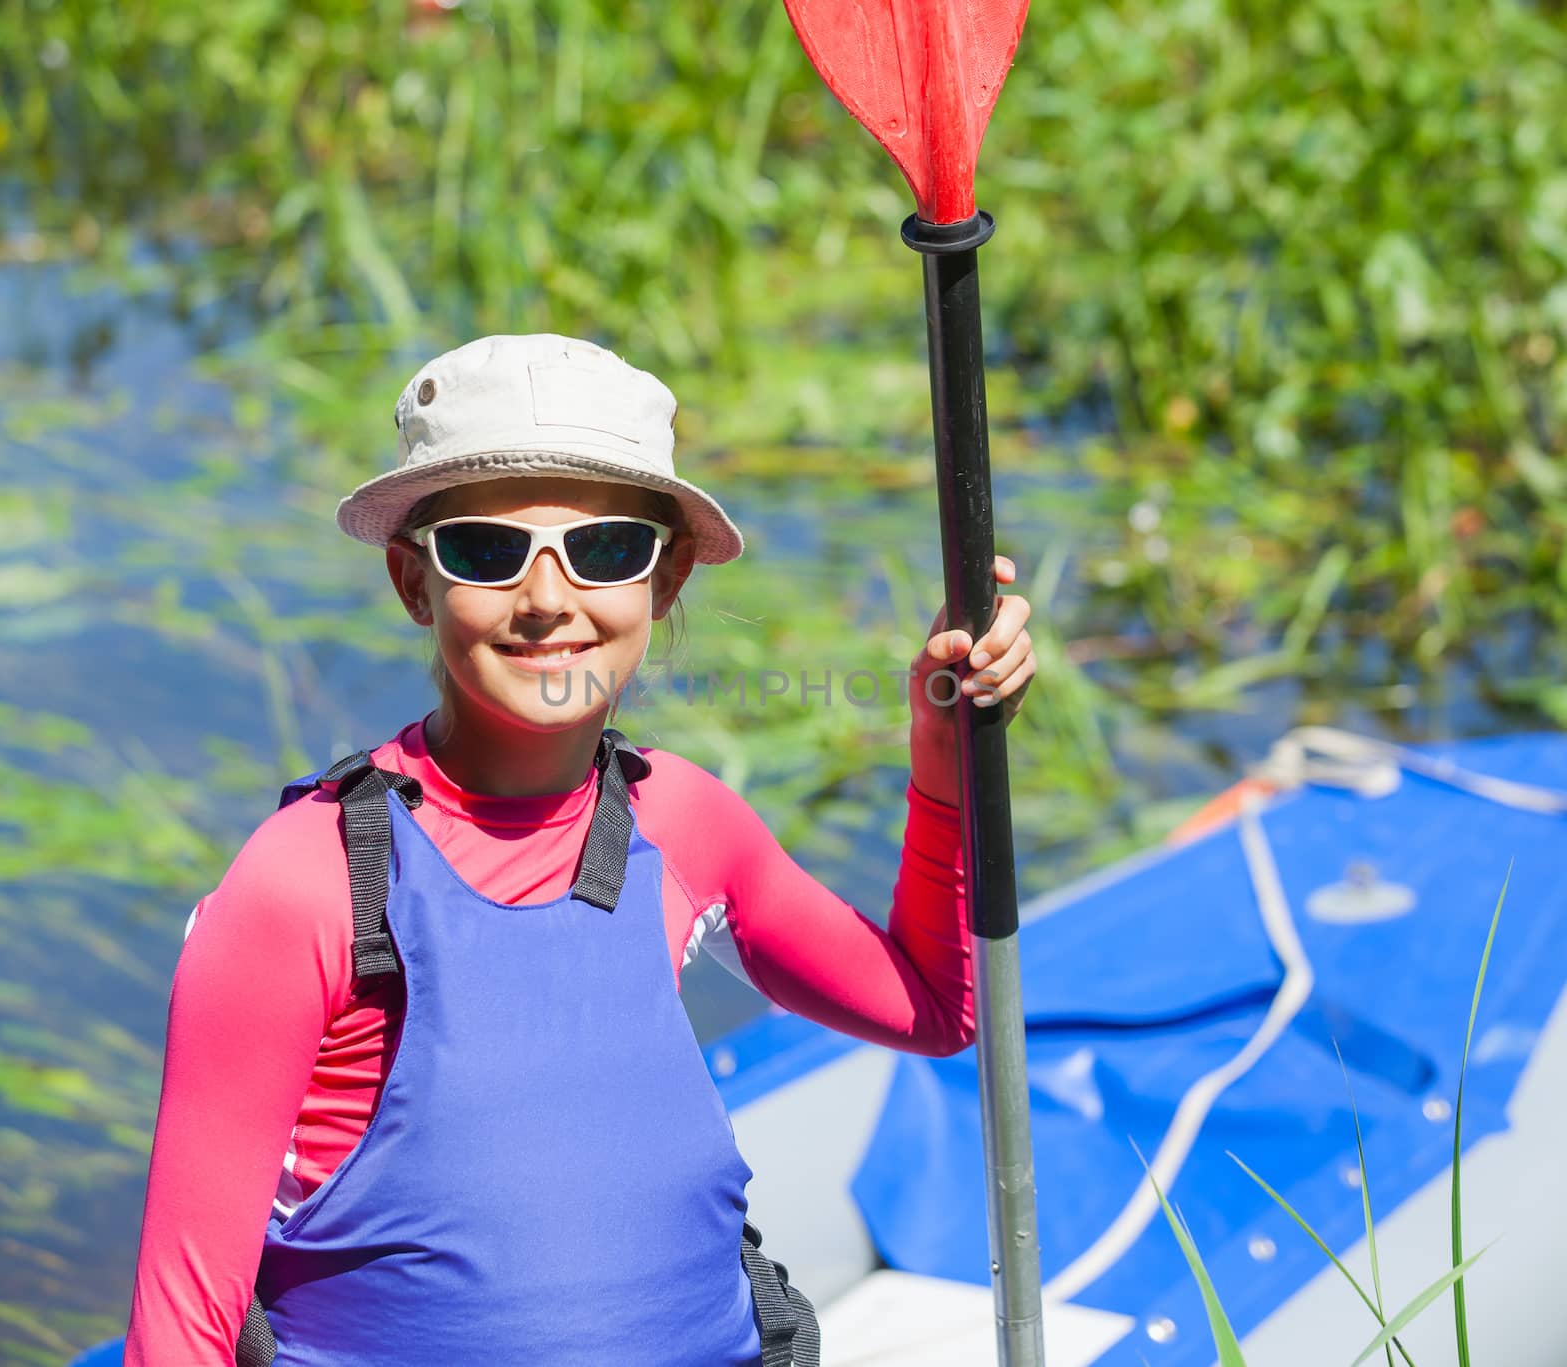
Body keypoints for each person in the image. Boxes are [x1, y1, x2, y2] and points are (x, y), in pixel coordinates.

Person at [123, 333, 1036, 1365]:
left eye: (604, 548)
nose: (548, 598)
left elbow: (934, 1003)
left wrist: (940, 751)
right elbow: (182, 1324)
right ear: (411, 581)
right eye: (484, 549)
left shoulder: (683, 820)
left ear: (667, 576)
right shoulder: (305, 884)